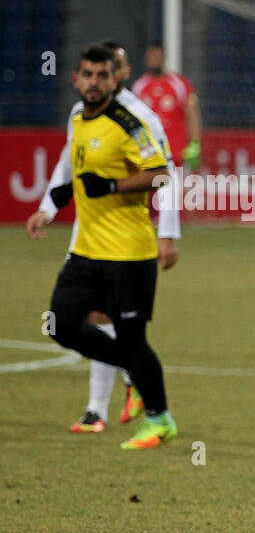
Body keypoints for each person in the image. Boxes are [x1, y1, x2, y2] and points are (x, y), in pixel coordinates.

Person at [26, 43, 180, 450]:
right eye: (87, 75)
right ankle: (135, 376)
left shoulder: (130, 124)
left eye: (102, 75)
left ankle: (159, 419)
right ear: (76, 79)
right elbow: (71, 174)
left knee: (131, 341)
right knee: (60, 323)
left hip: (129, 254)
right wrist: (48, 208)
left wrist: (113, 186)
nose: (94, 83)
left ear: (116, 79)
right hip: (87, 252)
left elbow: (162, 175)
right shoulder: (77, 117)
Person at [134, 43, 202, 173]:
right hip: (150, 155)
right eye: (152, 57)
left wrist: (195, 145)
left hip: (176, 154)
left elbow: (192, 116)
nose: (155, 61)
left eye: (158, 57)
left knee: (174, 191)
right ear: (147, 59)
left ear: (164, 58)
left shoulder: (178, 84)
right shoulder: (139, 87)